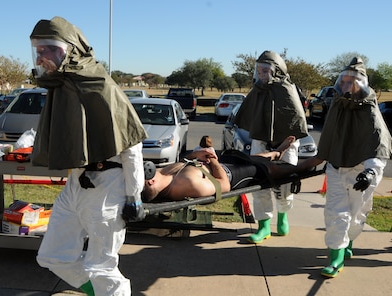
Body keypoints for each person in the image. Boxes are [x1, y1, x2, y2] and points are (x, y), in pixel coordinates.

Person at [30, 17, 148, 296]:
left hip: (108, 186)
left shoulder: (99, 84)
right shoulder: (60, 86)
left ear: (67, 49)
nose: (40, 55)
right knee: (51, 255)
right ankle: (97, 292)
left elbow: (131, 145)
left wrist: (134, 195)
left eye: (46, 48)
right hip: (78, 183)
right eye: (37, 49)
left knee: (102, 266)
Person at [275, 57, 392, 278]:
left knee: (357, 215)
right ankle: (336, 256)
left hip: (362, 171)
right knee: (336, 214)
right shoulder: (337, 105)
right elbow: (329, 139)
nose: (347, 86)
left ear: (361, 83)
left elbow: (377, 145)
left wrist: (370, 172)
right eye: (344, 81)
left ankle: (349, 241)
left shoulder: (370, 110)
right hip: (337, 169)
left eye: (352, 81)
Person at [233, 50, 309, 243]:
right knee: (259, 183)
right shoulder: (257, 91)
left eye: (265, 70)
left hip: (288, 144)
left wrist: (282, 146)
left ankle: (283, 217)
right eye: (258, 70)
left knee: (285, 184)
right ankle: (264, 225)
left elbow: (296, 120)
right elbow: (249, 116)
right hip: (261, 143)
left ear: (276, 71)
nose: (261, 74)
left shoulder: (288, 90)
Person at [142, 136, 296, 202]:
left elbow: (181, 164)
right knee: (266, 168)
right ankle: (308, 165)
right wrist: (213, 158)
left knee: (253, 158)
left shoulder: (162, 174)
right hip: (232, 175)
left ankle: (276, 153)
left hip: (218, 164)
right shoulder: (187, 185)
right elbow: (224, 186)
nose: (145, 169)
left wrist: (196, 154)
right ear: (150, 183)